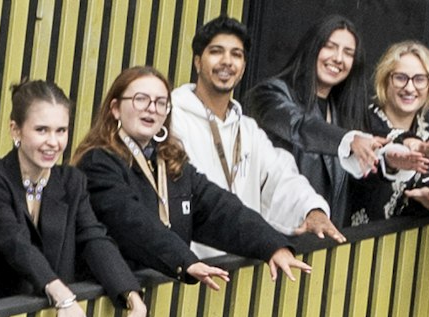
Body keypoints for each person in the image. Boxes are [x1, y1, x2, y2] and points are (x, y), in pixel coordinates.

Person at [80, 65, 315, 293]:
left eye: (161, 103)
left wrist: (273, 245)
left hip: (162, 297)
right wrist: (186, 261)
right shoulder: (98, 163)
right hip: (108, 303)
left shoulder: (170, 161)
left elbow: (221, 209)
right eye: (140, 99)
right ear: (115, 108)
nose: (151, 109)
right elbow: (132, 223)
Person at [0, 82, 136, 317]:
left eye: (61, 131)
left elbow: (93, 238)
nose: (53, 142)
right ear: (15, 130)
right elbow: (13, 242)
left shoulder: (71, 181)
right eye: (42, 130)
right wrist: (62, 295)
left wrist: (132, 297)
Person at [174, 17, 348, 246]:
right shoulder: (172, 117)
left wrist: (312, 210)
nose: (227, 61)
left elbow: (282, 177)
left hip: (240, 262)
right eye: (216, 52)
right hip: (189, 263)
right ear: (197, 62)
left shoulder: (248, 130)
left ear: (244, 67)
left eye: (236, 54)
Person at [247, 18, 386, 226]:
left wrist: (395, 160)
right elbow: (299, 126)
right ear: (312, 48)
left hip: (322, 241)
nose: (338, 58)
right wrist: (347, 141)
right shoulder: (269, 94)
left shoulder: (345, 114)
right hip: (274, 237)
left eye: (348, 53)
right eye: (330, 47)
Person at [347, 42, 429, 224]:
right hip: (348, 245)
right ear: (385, 81)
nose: (409, 88)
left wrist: (428, 196)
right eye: (400, 78)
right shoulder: (360, 123)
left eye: (419, 79)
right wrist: (402, 146)